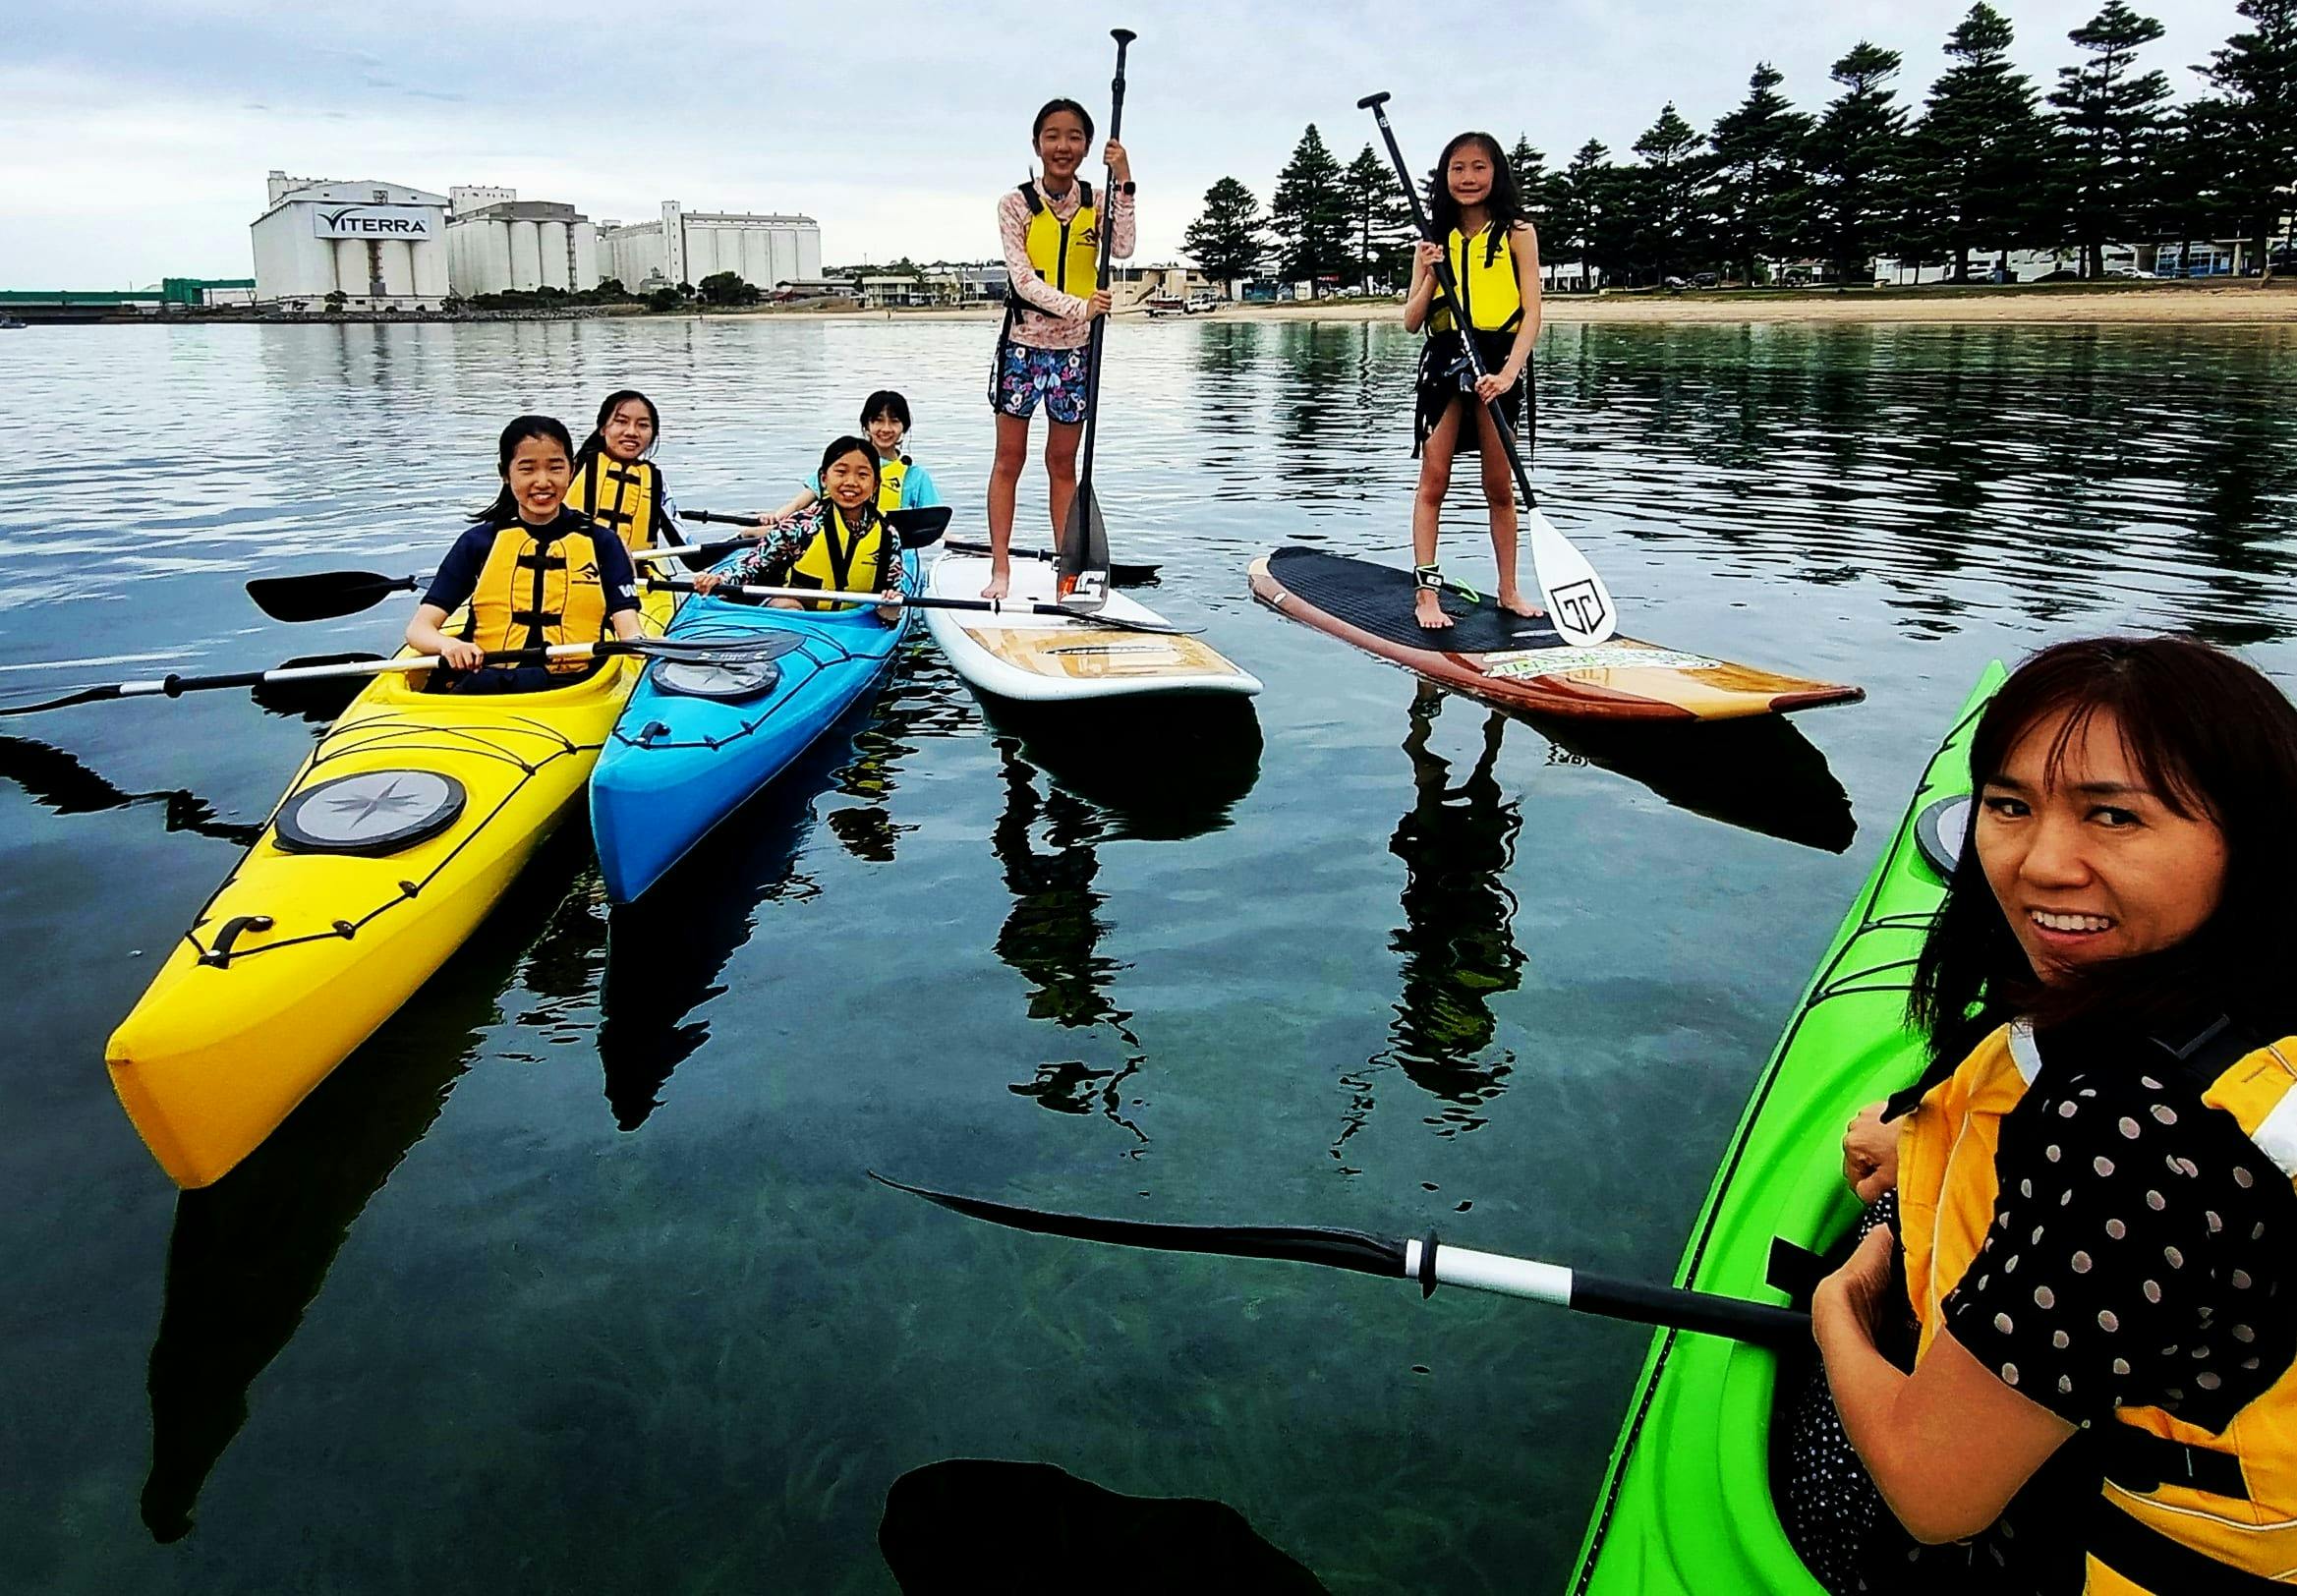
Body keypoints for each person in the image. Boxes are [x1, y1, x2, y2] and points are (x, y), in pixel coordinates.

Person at [1789, 636, 2297, 1594]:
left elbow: (1936, 1494)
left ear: (2250, 836)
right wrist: (1926, 1144)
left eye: (2114, 816)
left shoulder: (2129, 1138)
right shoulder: (2250, 1006)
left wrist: (1835, 1314)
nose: (2039, 865)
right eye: (2010, 806)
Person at [981, 95, 1134, 599]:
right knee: (1010, 459)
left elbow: (1125, 246)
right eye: (1052, 136)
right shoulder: (1014, 205)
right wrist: (1080, 307)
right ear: (1036, 144)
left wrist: (1126, 178)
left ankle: (1066, 571)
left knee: (1062, 464)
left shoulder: (1098, 198)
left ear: (1088, 146)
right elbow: (1023, 281)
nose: (1062, 146)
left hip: (1075, 355)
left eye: (1073, 137)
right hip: (1023, 348)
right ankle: (999, 568)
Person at [1402, 132, 1542, 630]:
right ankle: (1426, 595)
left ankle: (1508, 590)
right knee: (1433, 481)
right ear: (1444, 177)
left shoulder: (1518, 232)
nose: (1468, 178)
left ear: (1495, 173)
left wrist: (1508, 375)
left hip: (1500, 361)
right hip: (1445, 360)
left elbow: (1532, 315)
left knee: (1498, 487)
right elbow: (1412, 321)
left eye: (1478, 167)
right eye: (1457, 168)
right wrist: (1432, 276)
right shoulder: (1432, 241)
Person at [406, 416, 644, 692]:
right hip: (485, 683)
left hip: (576, 687)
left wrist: (647, 646)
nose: (543, 482)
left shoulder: (603, 543)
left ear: (572, 470)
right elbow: (418, 630)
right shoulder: (478, 542)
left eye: (555, 468)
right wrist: (449, 644)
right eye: (527, 469)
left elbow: (629, 631)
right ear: (506, 474)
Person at [693, 436, 903, 623]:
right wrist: (720, 580)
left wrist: (891, 603)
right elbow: (755, 564)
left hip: (852, 621)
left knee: (891, 610)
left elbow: (893, 587)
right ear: (824, 479)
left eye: (862, 475)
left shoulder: (887, 534)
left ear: (875, 484)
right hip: (799, 616)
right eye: (840, 472)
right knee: (786, 603)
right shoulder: (800, 525)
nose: (850, 482)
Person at [755, 390, 942, 524]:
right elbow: (798, 504)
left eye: (894, 421)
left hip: (893, 561)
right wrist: (775, 517)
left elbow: (936, 525)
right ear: (866, 426)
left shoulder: (916, 476)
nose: (885, 429)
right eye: (877, 420)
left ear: (904, 427)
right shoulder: (840, 462)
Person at [565, 389, 683, 553]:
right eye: (621, 422)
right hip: (573, 565)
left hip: (634, 569)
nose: (631, 432)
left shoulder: (656, 482)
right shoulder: (570, 470)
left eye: (643, 425)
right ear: (602, 428)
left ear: (653, 434)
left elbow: (687, 551)